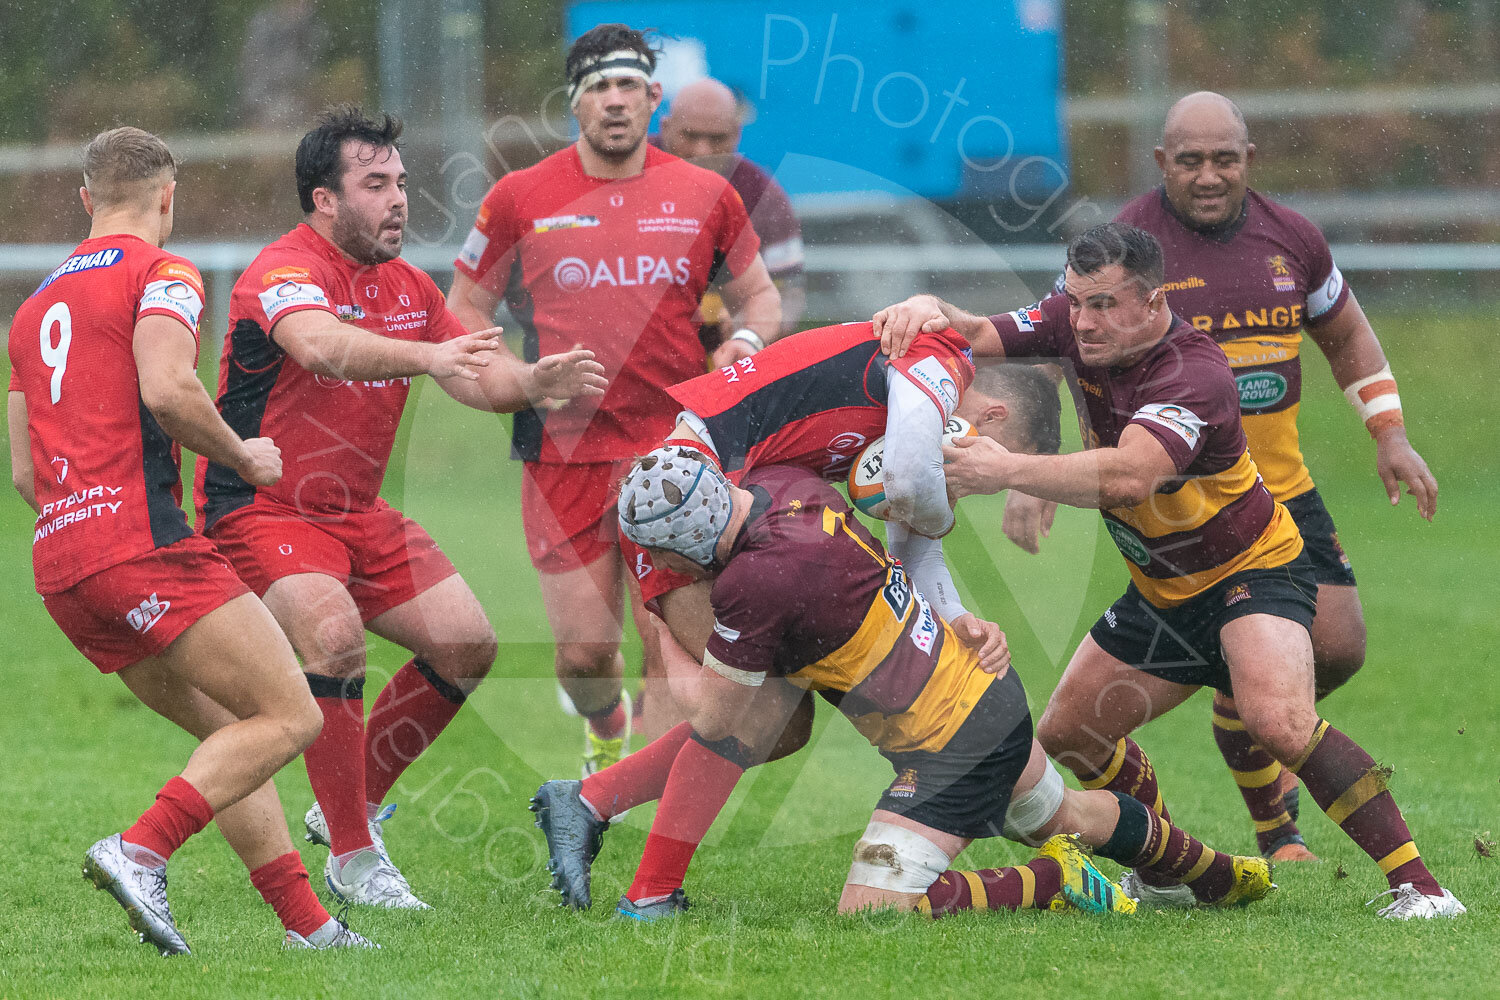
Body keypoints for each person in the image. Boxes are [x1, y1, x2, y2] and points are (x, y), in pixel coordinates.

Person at [877, 222, 1463, 919]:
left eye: (1104, 305)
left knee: (1277, 721)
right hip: (1164, 596)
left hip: (1252, 574)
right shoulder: (1074, 318)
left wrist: (1009, 470)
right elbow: (974, 332)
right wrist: (926, 310)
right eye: (1077, 301)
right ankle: (1168, 867)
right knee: (1070, 734)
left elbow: (1130, 476)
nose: (1084, 321)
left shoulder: (1194, 372)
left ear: (1154, 302)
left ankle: (1422, 888)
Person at [533, 449, 1274, 921]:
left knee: (873, 911)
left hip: (952, 754)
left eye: (664, 556)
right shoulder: (787, 486)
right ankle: (1220, 875)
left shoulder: (756, 585)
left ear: (688, 544)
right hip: (987, 699)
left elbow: (718, 720)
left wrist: (665, 634)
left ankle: (1051, 884)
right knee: (1065, 810)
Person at [1000, 91, 1440, 862]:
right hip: (1168, 506)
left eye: (1224, 158)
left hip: (1277, 494)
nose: (1209, 175)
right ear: (1163, 162)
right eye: (1192, 160)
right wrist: (1032, 471)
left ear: (1249, 160)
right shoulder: (1128, 246)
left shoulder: (1292, 240)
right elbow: (1061, 346)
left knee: (1338, 648)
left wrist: (1390, 433)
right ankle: (1270, 835)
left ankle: (1245, 703)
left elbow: (1347, 336)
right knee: (1214, 699)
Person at [193, 106, 606, 910]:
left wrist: (531, 382)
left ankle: (345, 805)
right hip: (263, 509)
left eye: (403, 184)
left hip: (359, 512)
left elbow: (472, 373)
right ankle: (354, 858)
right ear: (324, 199)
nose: (399, 201)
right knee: (336, 635)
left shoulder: (411, 287)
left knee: (467, 644)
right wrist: (430, 353)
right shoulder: (283, 272)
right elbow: (318, 344)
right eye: (375, 184)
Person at [6, 126, 371, 952]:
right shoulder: (162, 272)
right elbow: (168, 388)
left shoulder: (29, 312)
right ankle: (140, 850)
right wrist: (245, 455)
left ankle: (307, 927)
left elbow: (27, 474)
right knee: (291, 715)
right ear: (168, 197)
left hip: (64, 566)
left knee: (231, 730)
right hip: (144, 546)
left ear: (85, 198)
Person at [446, 24, 780, 777]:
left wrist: (745, 347)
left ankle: (635, 811)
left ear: (654, 99)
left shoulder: (705, 194)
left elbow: (759, 297)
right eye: (599, 88)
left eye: (629, 86)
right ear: (575, 105)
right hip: (562, 452)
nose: (616, 101)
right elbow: (464, 306)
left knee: (667, 643)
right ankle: (604, 723)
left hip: (676, 453)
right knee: (586, 652)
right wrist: (513, 377)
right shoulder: (520, 197)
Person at [657, 77, 807, 343]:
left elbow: (791, 294)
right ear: (665, 127)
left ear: (737, 134)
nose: (702, 150)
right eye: (690, 136)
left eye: (717, 139)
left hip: (728, 362)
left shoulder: (763, 196)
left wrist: (750, 330)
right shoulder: (626, 173)